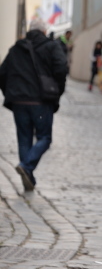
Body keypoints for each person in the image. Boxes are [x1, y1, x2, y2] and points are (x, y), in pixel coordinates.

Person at [0, 18, 68, 191]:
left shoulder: (16, 48)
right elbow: (61, 68)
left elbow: (2, 73)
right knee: (45, 137)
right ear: (44, 31)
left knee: (24, 138)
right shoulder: (51, 46)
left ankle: (27, 175)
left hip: (19, 102)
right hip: (41, 101)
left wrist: (10, 94)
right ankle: (27, 167)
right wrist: (56, 92)